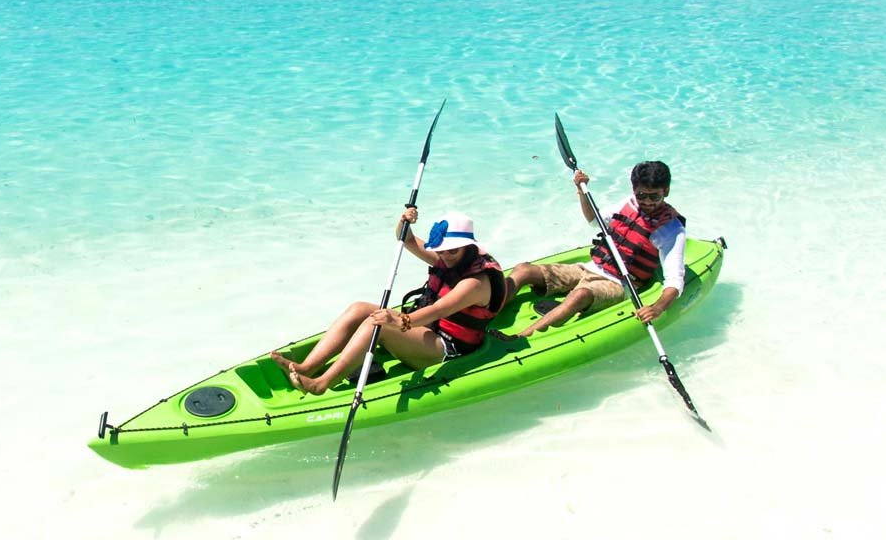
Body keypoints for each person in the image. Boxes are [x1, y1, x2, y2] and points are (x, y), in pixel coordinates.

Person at [272, 209, 506, 395]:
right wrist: (404, 222)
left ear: (468, 246)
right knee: (359, 309)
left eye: (451, 251)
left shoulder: (475, 283)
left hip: (447, 348)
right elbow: (407, 240)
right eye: (441, 250)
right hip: (428, 330)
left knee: (378, 324)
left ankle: (321, 384)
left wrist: (399, 320)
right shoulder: (451, 258)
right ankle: (307, 367)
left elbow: (438, 309)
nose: (444, 256)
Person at [507, 160, 686, 337]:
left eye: (654, 197)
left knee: (579, 295)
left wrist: (658, 308)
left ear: (666, 191)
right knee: (524, 270)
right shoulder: (628, 204)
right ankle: (492, 310)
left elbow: (675, 280)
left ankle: (520, 338)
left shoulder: (671, 229)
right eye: (641, 195)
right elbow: (594, 220)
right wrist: (581, 191)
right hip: (588, 268)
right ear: (634, 190)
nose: (646, 202)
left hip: (619, 284)